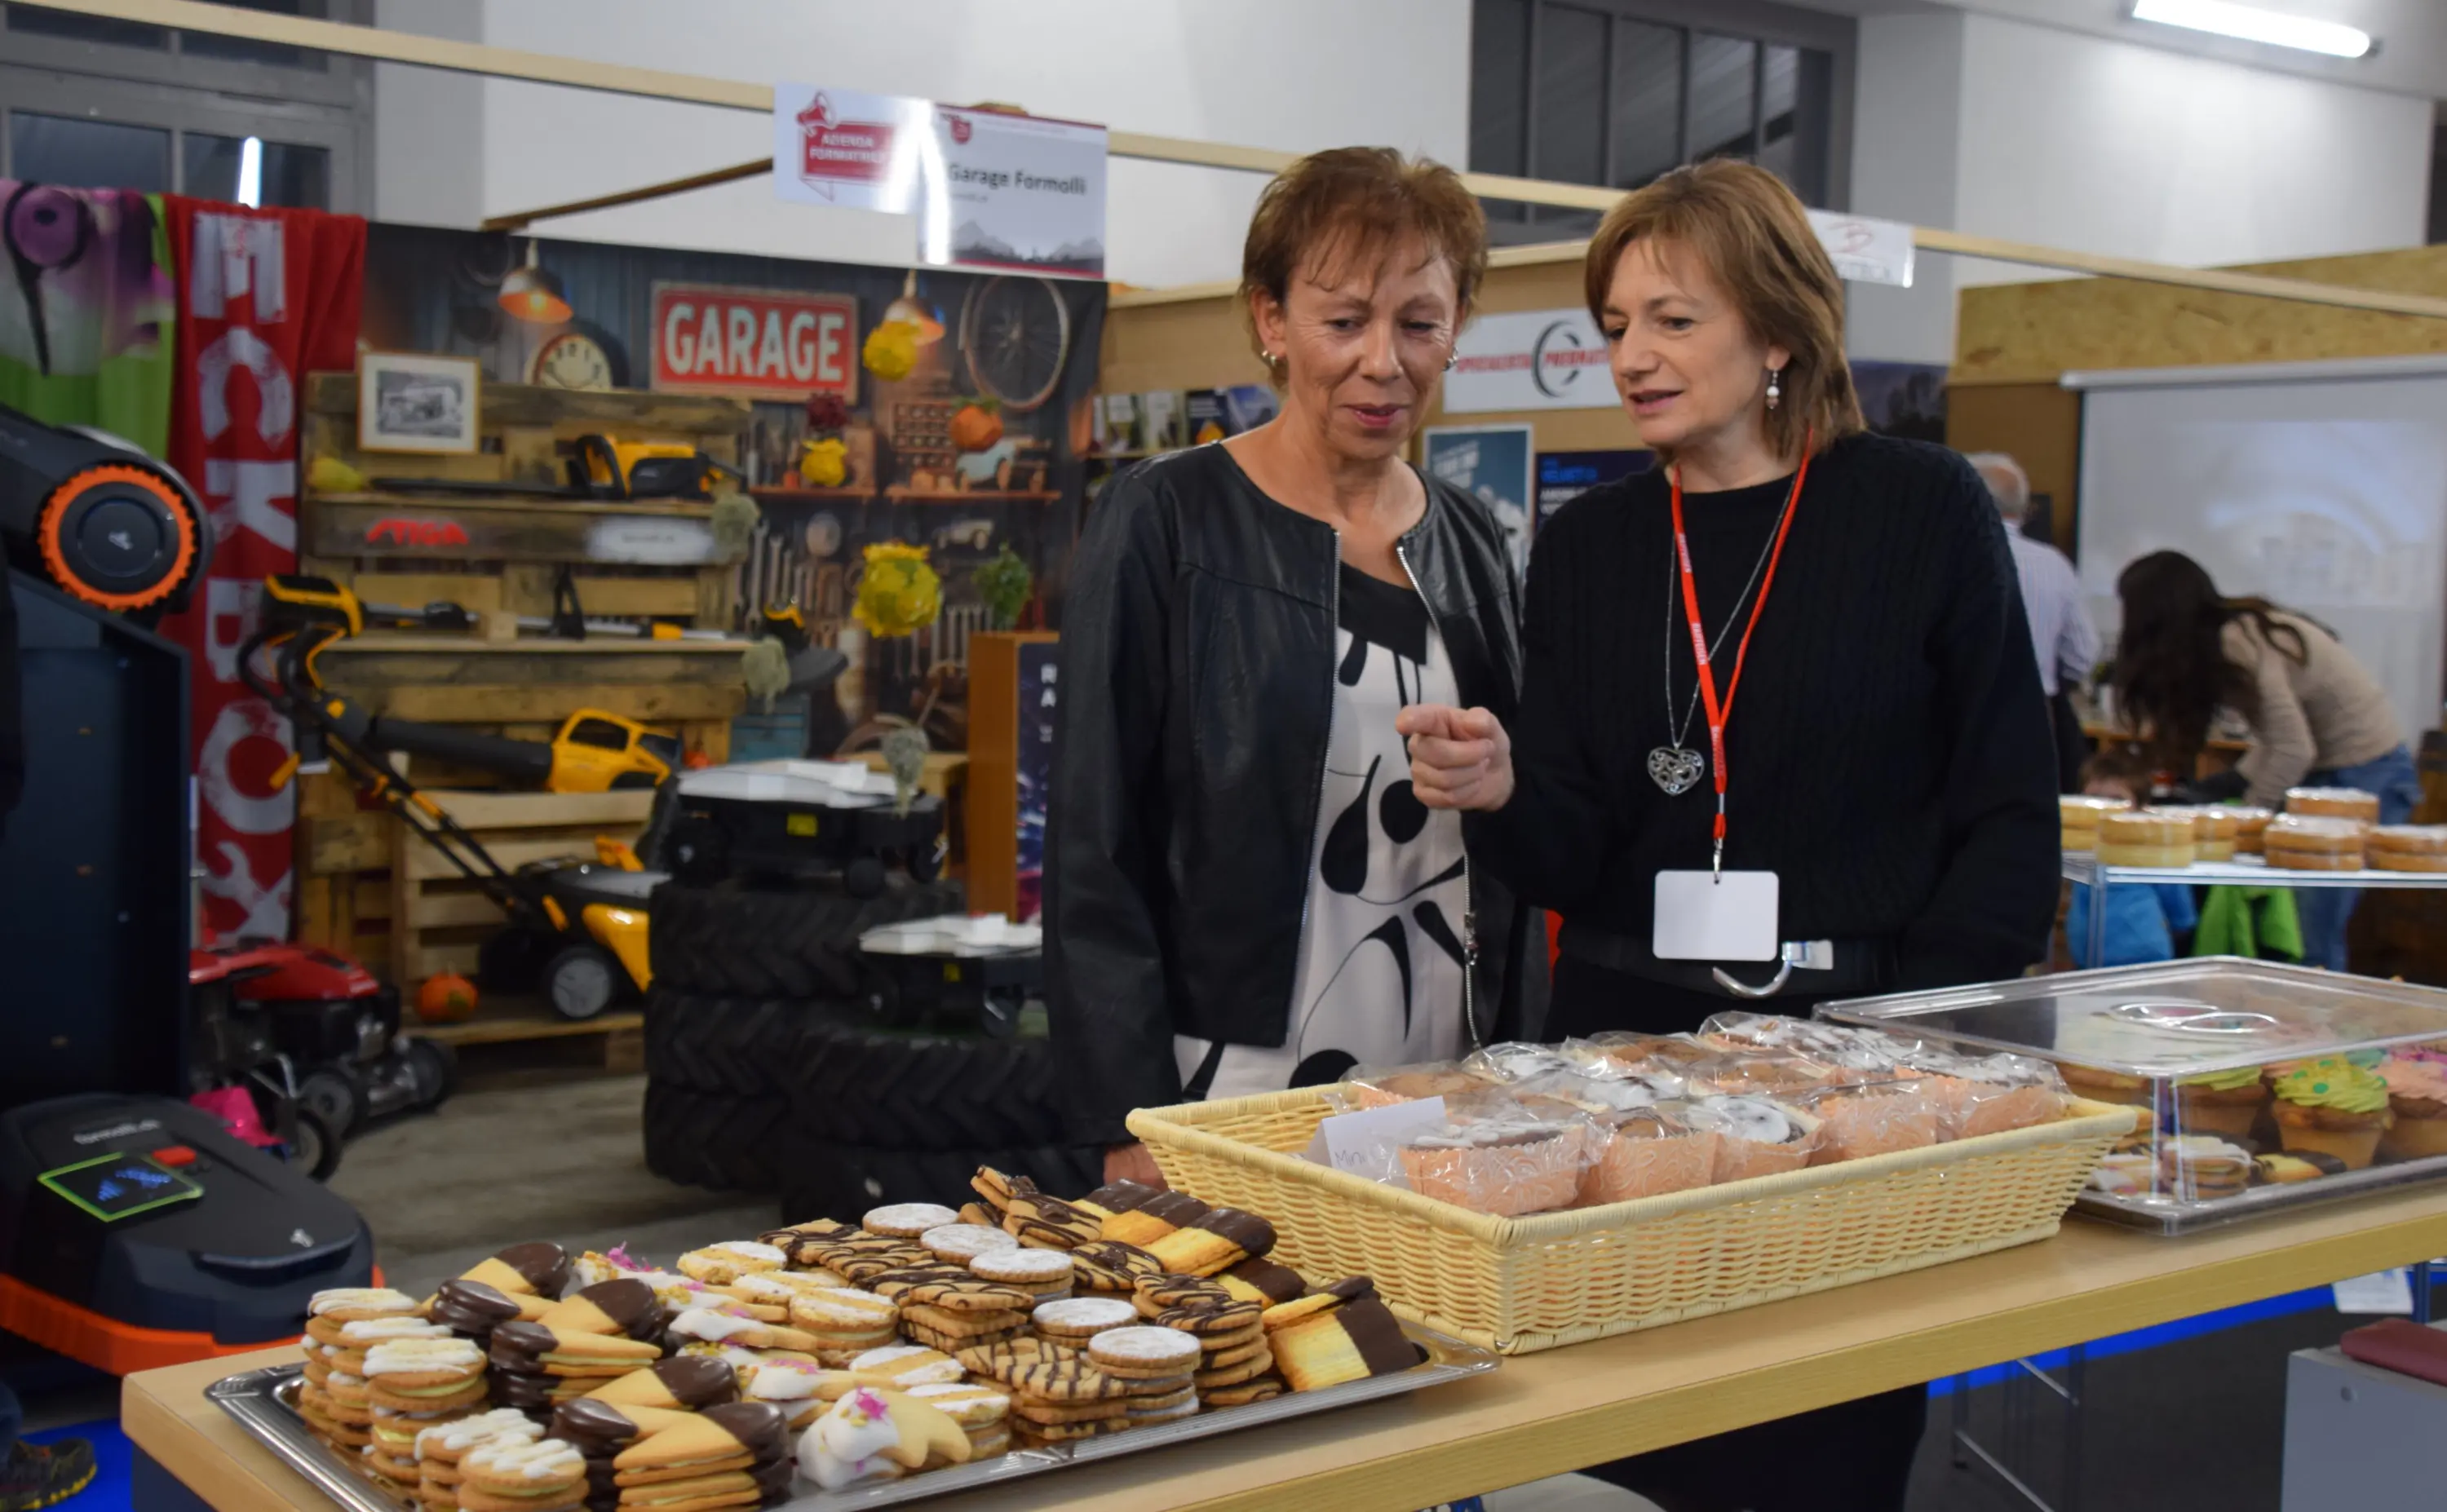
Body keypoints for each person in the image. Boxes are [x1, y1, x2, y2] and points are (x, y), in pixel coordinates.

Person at [1399, 159, 2057, 1512]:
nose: (1631, 355)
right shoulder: (1592, 545)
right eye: (1615, 322)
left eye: (1671, 320)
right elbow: (1577, 849)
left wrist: (1918, 1059)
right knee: (1615, 1446)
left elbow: (2006, 810)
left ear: (1776, 332)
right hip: (1625, 1076)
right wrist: (1509, 785)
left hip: (1856, 1068)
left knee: (1814, 1449)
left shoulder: (1919, 510)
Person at [1045, 147, 1536, 1188]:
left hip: (1444, 1065)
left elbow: (1520, 817)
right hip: (1233, 1066)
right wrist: (1126, 1114)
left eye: (1418, 323)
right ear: (1271, 321)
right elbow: (1096, 840)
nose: (1384, 361)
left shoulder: (1473, 541)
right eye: (1343, 319)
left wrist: (1507, 775)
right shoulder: (1167, 518)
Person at [2112, 550, 2417, 970]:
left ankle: (2316, 1028)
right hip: (2333, 773)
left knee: (2312, 928)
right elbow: (2279, 743)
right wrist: (2223, 787)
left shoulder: (2238, 640)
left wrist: (2246, 819)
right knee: (2296, 925)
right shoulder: (2225, 643)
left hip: (2366, 773)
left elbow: (2294, 749)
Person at [1968, 452, 2096, 793]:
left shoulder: (1946, 558)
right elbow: (2083, 655)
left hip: (1960, 716)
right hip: (2038, 715)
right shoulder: (2054, 564)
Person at [2063, 751, 2196, 967]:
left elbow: (2181, 917)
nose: (2104, 810)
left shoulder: (2154, 853)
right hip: (2085, 964)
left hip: (2144, 965)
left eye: (2116, 801)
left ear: (2141, 807)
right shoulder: (2082, 850)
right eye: (2094, 800)